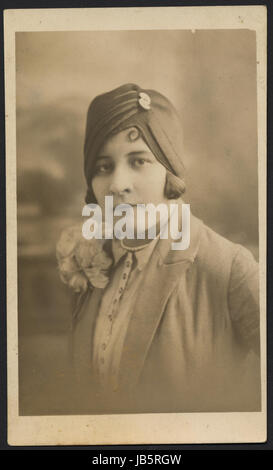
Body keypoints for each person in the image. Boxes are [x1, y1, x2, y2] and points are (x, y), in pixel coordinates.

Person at [57, 83, 260, 414]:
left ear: (170, 172)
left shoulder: (228, 267)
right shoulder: (92, 263)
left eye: (139, 161)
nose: (118, 185)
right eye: (103, 167)